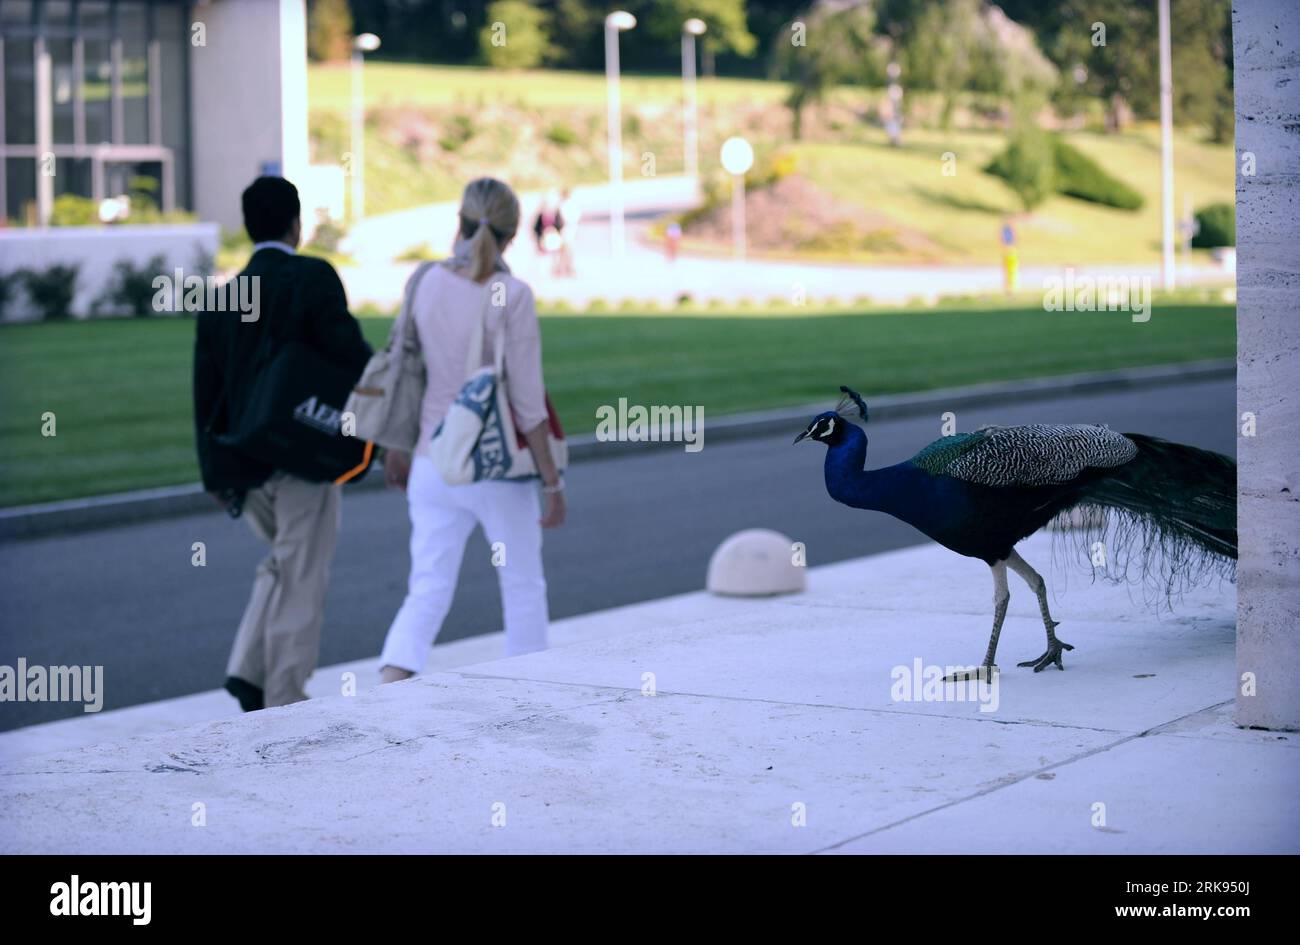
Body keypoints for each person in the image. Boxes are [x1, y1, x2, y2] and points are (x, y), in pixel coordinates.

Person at [193, 176, 372, 711]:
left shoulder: (221, 301)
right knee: (301, 578)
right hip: (302, 461)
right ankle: (285, 702)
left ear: (249, 228)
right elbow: (354, 359)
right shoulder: (313, 278)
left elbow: (207, 398)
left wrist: (214, 476)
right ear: (297, 224)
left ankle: (248, 673)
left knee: (281, 562)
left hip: (242, 468)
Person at [379, 178, 566, 683]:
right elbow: (528, 407)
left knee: (428, 588)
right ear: (511, 236)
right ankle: (530, 697)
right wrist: (552, 482)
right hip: (495, 466)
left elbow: (405, 370)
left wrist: (396, 448)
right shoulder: (516, 296)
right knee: (523, 585)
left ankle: (388, 689)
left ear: (459, 222)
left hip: (429, 462)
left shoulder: (423, 280)